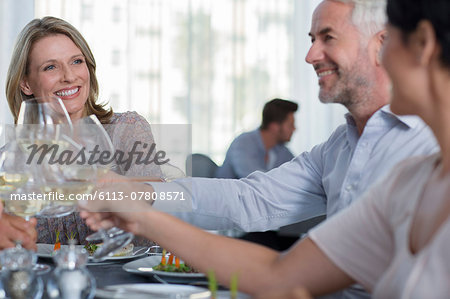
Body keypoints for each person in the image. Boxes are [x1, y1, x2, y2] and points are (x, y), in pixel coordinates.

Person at [82, 0, 450, 296]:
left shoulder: (414, 162)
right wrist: (143, 198)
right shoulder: (396, 174)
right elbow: (257, 212)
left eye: (328, 37)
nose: (310, 56)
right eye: (310, 38)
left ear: (404, 44)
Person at [5, 16, 161, 245]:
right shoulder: (12, 159)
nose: (69, 76)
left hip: (124, 277)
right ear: (26, 84)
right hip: (47, 278)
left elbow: (159, 206)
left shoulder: (126, 129)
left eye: (76, 61)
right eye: (51, 67)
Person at [216, 98, 298, 179]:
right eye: (290, 125)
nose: (294, 129)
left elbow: (297, 174)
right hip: (230, 192)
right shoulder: (243, 143)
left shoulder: (282, 150)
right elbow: (257, 182)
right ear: (274, 127)